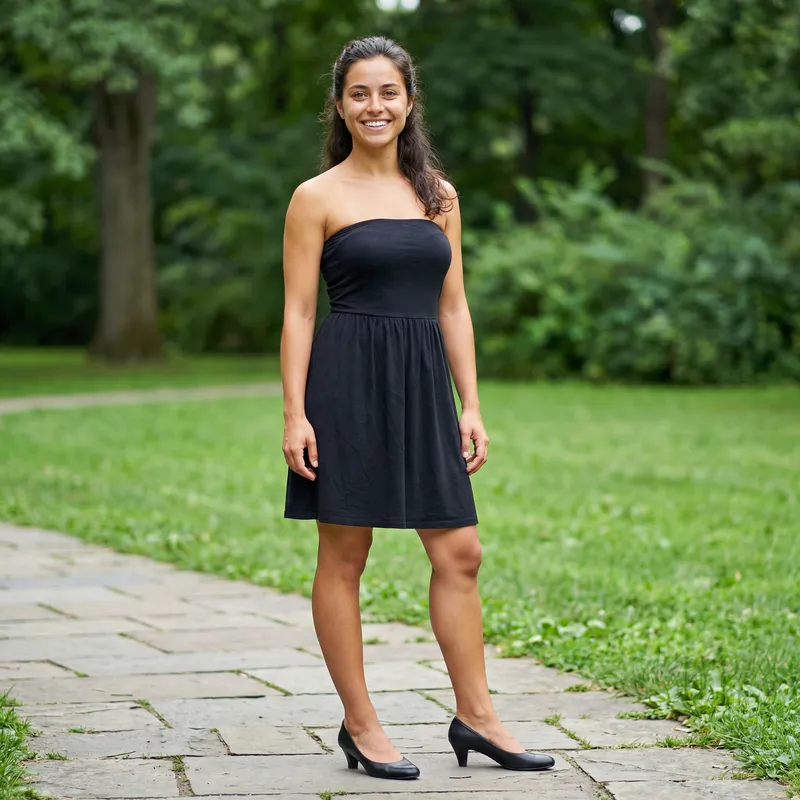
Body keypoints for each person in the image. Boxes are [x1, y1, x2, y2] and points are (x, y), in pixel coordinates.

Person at [280, 36, 555, 781]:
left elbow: (455, 305)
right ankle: (361, 726)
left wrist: (472, 404)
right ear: (341, 104)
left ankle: (478, 717)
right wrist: (295, 414)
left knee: (459, 551)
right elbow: (300, 312)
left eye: (388, 93)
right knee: (345, 554)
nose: (376, 106)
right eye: (360, 93)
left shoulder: (438, 195)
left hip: (424, 385)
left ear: (408, 103)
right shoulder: (317, 197)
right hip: (347, 383)